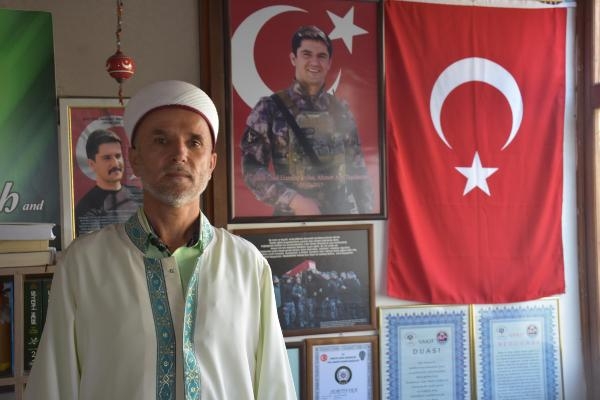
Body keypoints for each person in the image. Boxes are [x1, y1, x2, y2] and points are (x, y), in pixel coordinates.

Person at [25, 80, 296, 400]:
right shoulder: (84, 263)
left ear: (211, 163)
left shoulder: (246, 263)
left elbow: (273, 385)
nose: (179, 153)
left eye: (194, 142)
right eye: (161, 140)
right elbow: (54, 384)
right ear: (135, 160)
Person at [241, 25, 373, 216]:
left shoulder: (340, 110)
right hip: (292, 219)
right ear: (293, 58)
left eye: (321, 56)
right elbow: (252, 169)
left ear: (329, 63)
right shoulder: (270, 108)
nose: (314, 62)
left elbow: (357, 169)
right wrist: (294, 200)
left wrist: (365, 217)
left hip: (338, 218)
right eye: (306, 54)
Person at [74, 128, 142, 235]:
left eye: (118, 156)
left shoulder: (140, 196)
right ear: (92, 164)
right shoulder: (87, 207)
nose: (115, 163)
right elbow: (95, 244)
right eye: (107, 158)